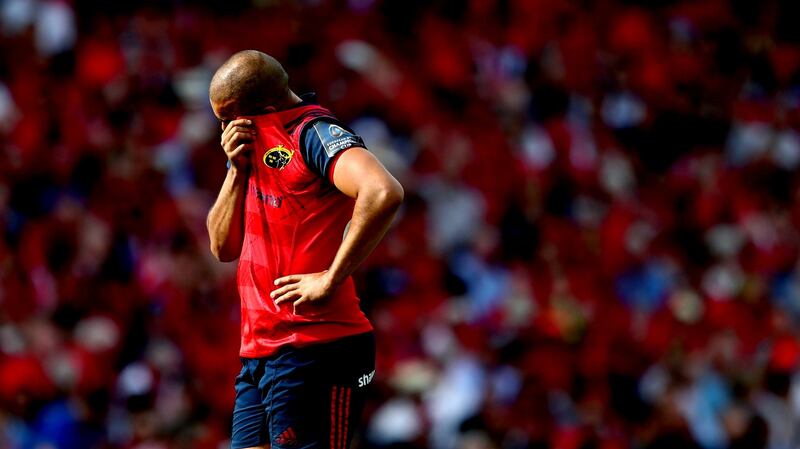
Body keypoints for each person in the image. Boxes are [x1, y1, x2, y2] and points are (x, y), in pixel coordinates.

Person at [206, 50, 404, 449]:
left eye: (227, 118)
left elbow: (383, 192)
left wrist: (331, 278)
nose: (223, 129)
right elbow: (221, 247)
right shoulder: (248, 149)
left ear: (261, 108)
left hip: (317, 348)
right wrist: (235, 171)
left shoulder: (312, 133)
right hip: (259, 354)